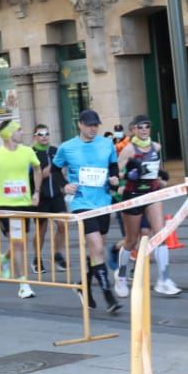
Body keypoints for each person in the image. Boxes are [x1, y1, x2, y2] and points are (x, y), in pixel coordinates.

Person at [52, 110, 122, 314]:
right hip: (81, 203)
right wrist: (64, 186)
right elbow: (55, 170)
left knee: (95, 252)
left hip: (103, 202)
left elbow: (113, 166)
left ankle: (82, 286)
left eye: (96, 125)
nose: (93, 129)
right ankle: (108, 296)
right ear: (80, 125)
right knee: (98, 248)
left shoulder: (106, 144)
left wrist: (114, 179)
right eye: (89, 125)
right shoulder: (67, 147)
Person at [115, 115, 180, 297]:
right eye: (140, 127)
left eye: (147, 127)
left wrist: (162, 178)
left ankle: (164, 280)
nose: (144, 130)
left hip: (152, 194)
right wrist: (130, 174)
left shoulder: (156, 147)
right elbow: (117, 174)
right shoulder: (128, 149)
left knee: (161, 235)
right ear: (134, 130)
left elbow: (156, 169)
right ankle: (120, 277)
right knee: (131, 240)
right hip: (133, 195)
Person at [0, 122, 41, 299]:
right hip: (3, 205)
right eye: (18, 130)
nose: (22, 132)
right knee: (19, 242)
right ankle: (23, 284)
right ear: (8, 134)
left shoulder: (27, 151)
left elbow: (37, 168)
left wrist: (36, 192)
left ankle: (3, 259)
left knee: (20, 241)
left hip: (23, 202)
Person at [31, 125, 70, 277]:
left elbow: (61, 170)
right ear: (35, 136)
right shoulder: (31, 153)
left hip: (57, 195)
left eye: (47, 133)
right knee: (42, 229)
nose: (44, 137)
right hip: (41, 196)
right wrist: (42, 175)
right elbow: (30, 175)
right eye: (40, 134)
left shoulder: (55, 151)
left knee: (62, 224)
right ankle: (37, 258)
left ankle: (57, 254)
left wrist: (65, 184)